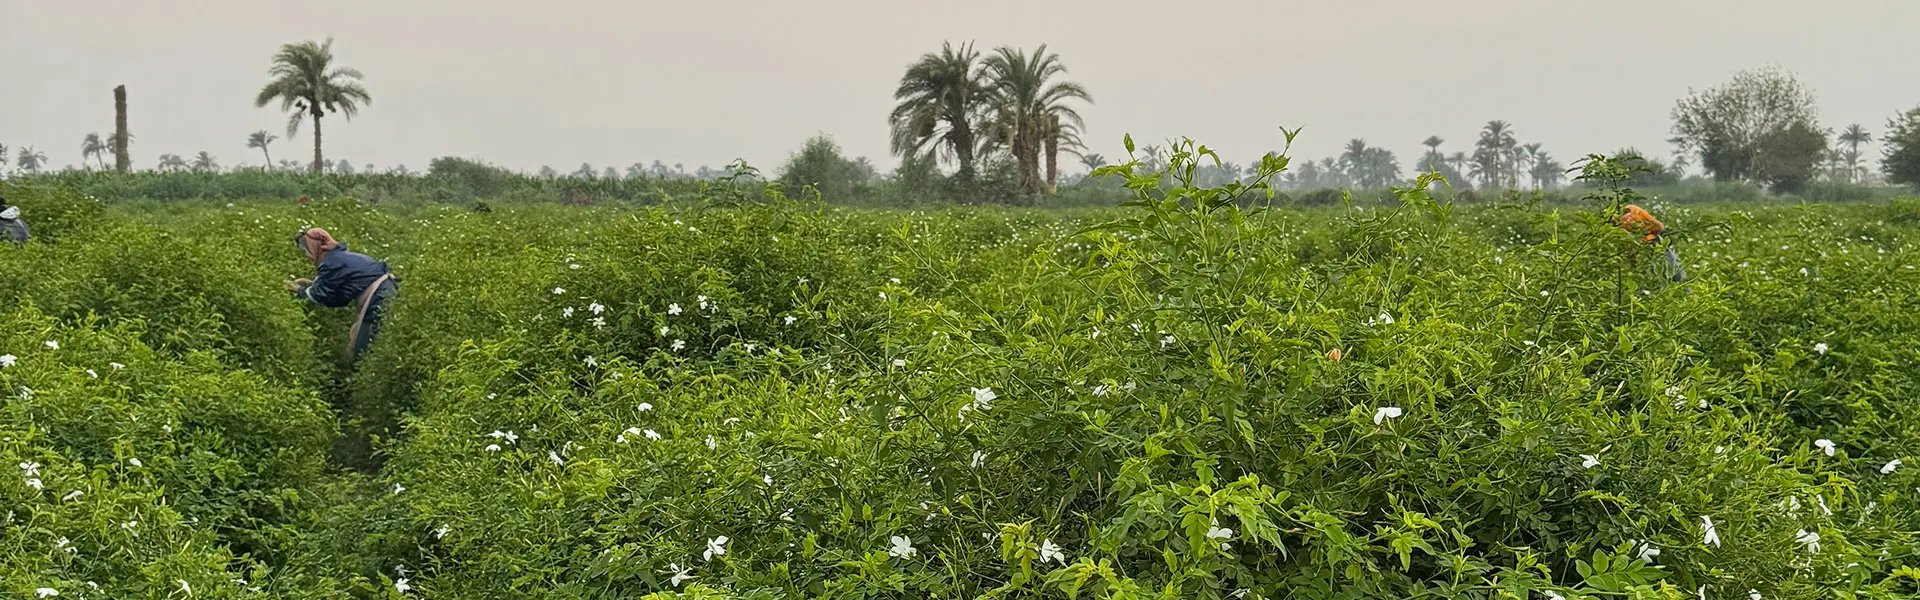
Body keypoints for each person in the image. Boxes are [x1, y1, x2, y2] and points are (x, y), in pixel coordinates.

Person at [286, 227, 398, 358]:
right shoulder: (340, 257)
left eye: (306, 250)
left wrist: (297, 289)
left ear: (316, 246)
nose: (306, 256)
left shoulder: (332, 262)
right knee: (375, 343)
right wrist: (313, 284)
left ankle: (365, 375)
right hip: (384, 293)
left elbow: (319, 296)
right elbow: (338, 297)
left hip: (377, 298)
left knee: (365, 350)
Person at [1615, 204, 1685, 282]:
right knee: (1671, 272)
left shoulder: (1630, 213)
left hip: (1650, 243)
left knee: (1669, 272)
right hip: (1651, 242)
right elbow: (1658, 227)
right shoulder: (1632, 210)